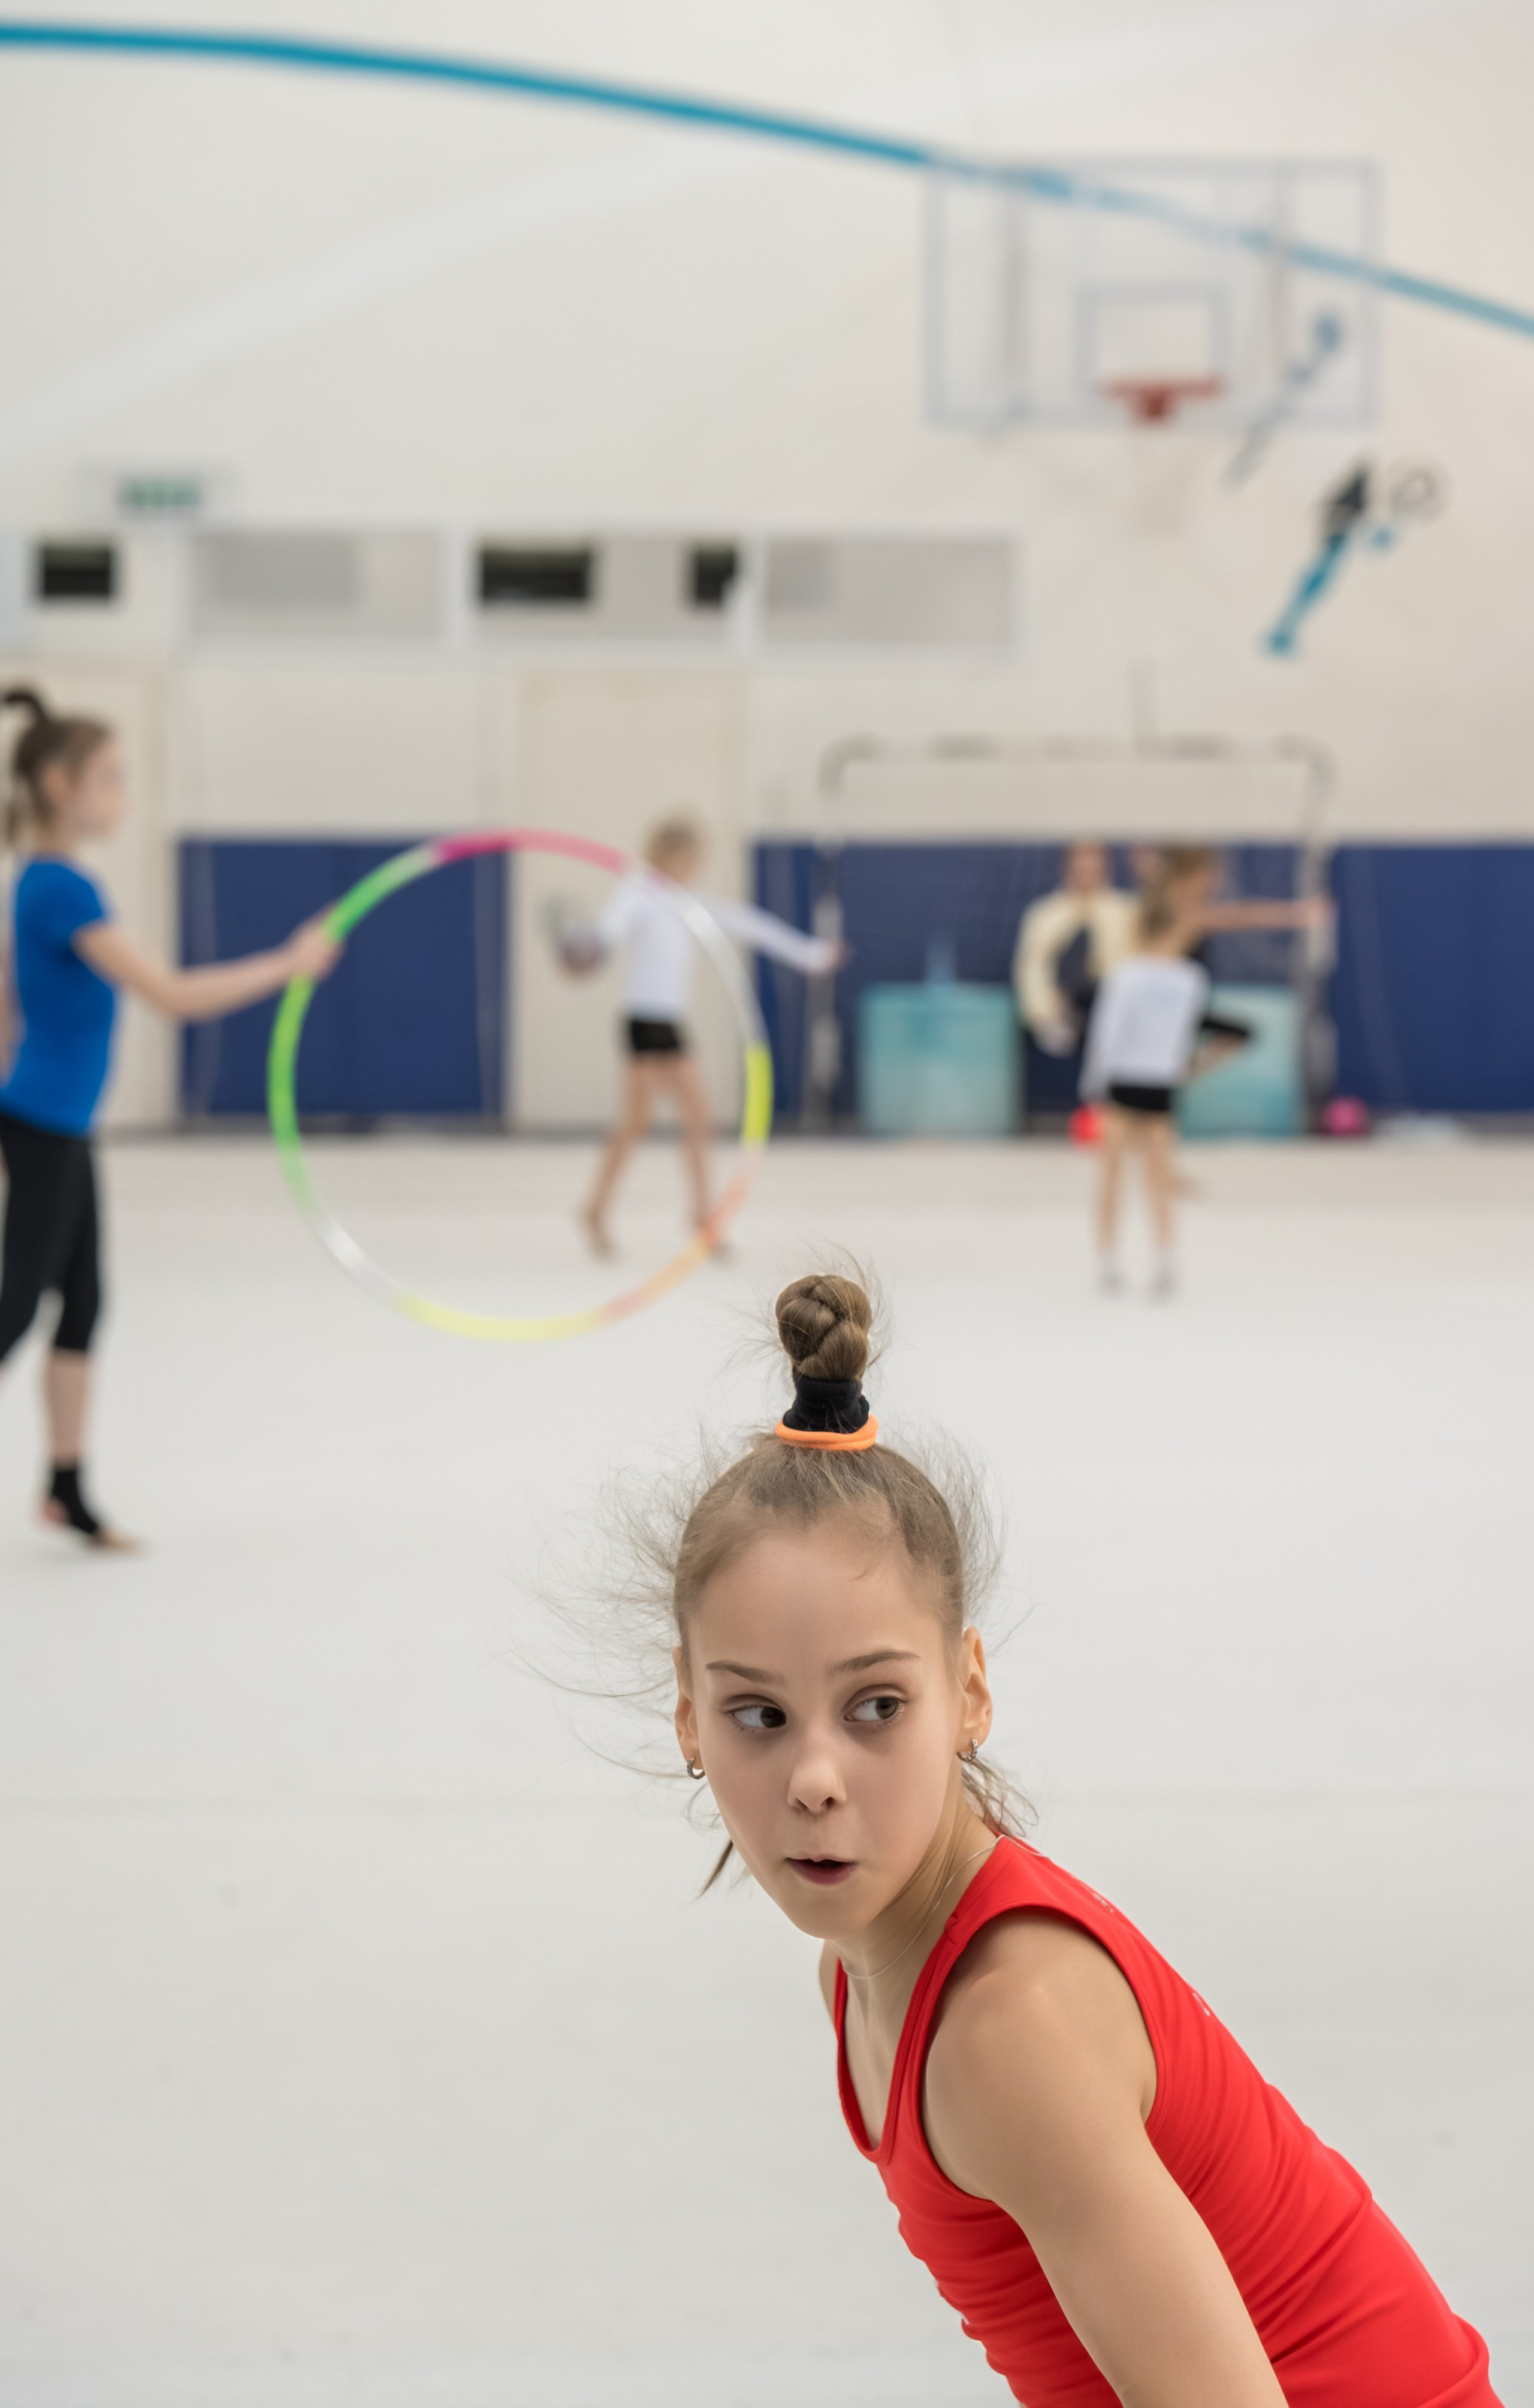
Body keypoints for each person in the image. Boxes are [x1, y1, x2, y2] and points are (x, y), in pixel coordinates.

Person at [657, 1271, 1500, 2408]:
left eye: (877, 1707)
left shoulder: (1010, 2028)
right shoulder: (858, 1972)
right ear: (686, 1716)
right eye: (758, 1713)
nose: (815, 1778)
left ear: (969, 1693)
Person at [0, 687, 340, 1547]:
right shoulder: (59, 888)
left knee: (81, 1305)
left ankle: (65, 1490)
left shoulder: (48, 883)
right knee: (14, 1310)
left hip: (59, 1118)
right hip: (41, 1118)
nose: (123, 795)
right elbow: (172, 994)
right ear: (57, 783)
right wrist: (290, 964)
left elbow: (10, 999)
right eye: (110, 779)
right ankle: (66, 1489)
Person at [563, 814, 843, 1257]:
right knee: (690, 1120)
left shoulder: (687, 905)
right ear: (667, 855)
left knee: (641, 1125)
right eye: (688, 858)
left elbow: (749, 924)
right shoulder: (638, 892)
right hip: (647, 1024)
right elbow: (606, 934)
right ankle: (693, 1218)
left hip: (667, 1024)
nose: (693, 867)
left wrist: (811, 955)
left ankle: (601, 1210)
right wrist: (583, 953)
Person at [1082, 846, 1324, 1296]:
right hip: (1135, 1060)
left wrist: (1181, 1067)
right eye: (1207, 879)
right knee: (1125, 1168)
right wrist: (1294, 914)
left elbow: (1233, 916)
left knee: (1152, 1169)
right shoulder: (1145, 959)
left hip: (1153, 1061)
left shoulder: (1183, 976)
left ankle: (1159, 1257)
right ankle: (1113, 1257)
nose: (1211, 888)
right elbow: (1238, 916)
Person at [1013, 841, 1139, 1065]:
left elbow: (1135, 965)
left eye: (1093, 865)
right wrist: (1042, 1016)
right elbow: (1031, 967)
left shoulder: (1127, 912)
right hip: (1060, 1021)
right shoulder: (1044, 914)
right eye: (1080, 865)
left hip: (1114, 1017)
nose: (1086, 872)